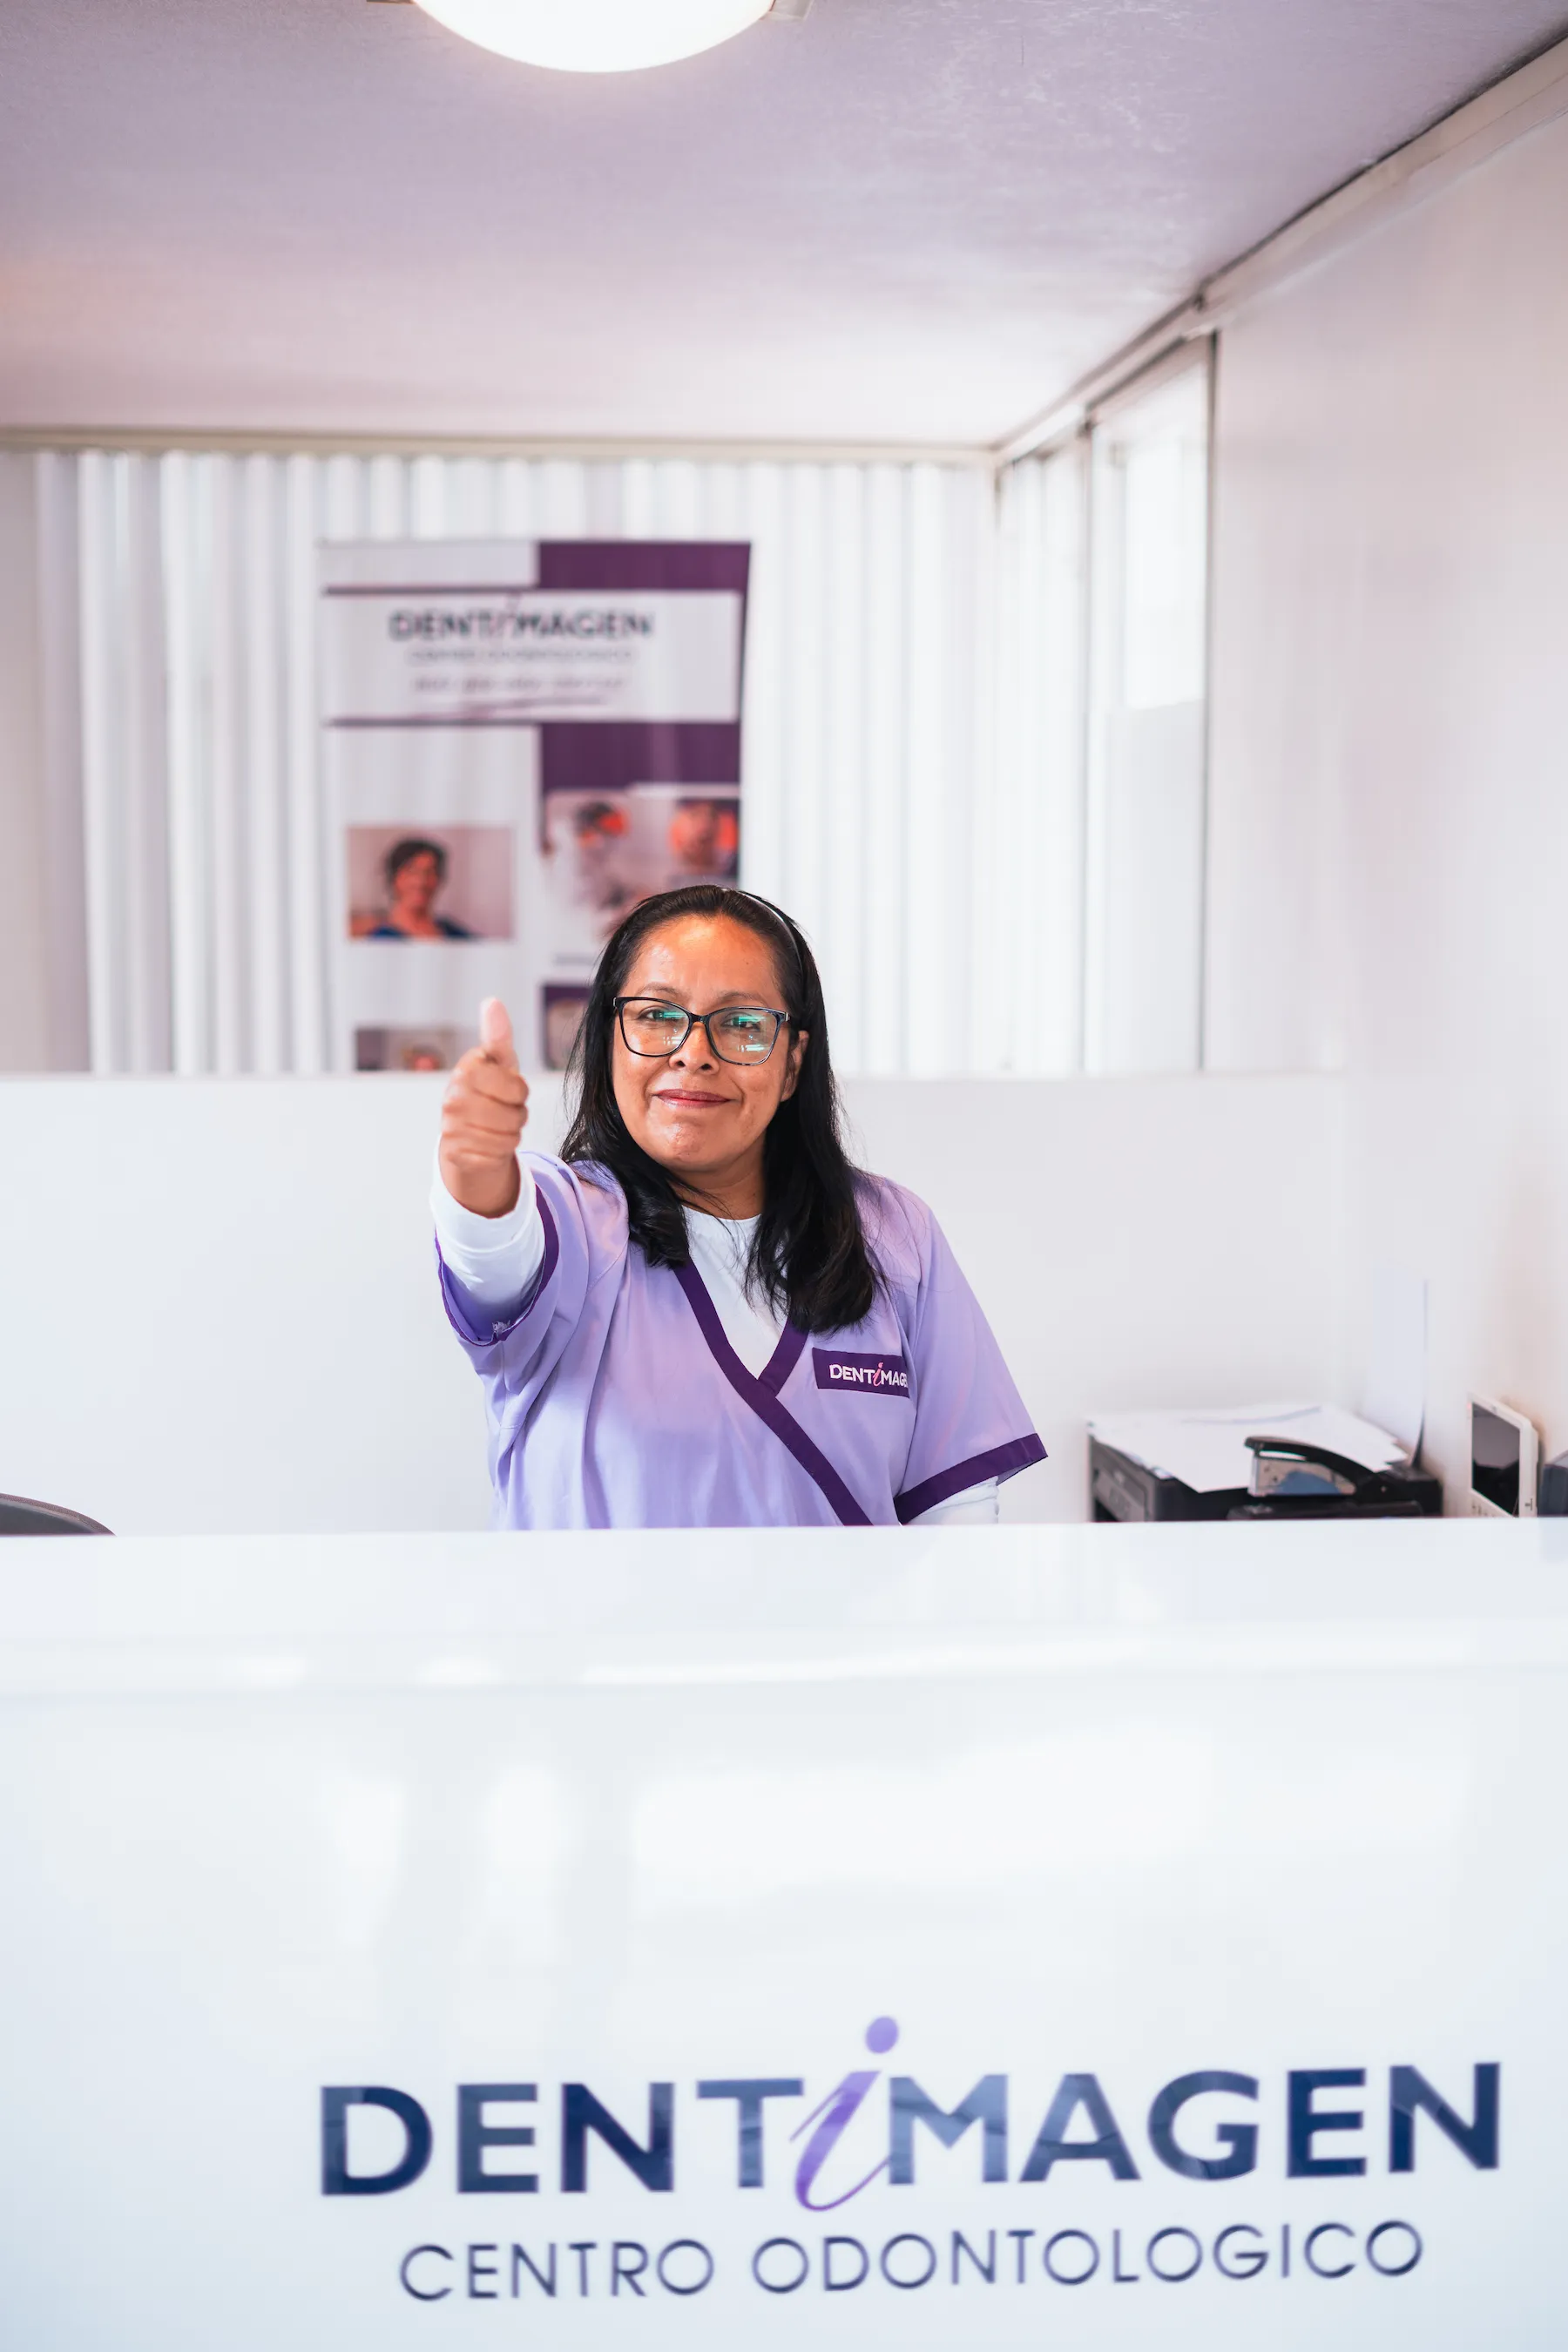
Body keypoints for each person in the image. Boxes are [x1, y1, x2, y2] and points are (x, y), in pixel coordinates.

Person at [433, 885, 1044, 1530]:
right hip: (599, 1635)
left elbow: (955, 1509)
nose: (693, 1052)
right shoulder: (566, 1219)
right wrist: (473, 1169)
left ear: (791, 1063)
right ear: (610, 1039)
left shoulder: (893, 1232)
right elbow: (491, 1250)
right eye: (656, 1016)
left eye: (744, 1024)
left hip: (853, 1635)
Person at [365, 837, 475, 939]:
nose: (421, 882)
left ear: (440, 879)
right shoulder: (380, 940)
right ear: (394, 877)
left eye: (430, 872)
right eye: (411, 871)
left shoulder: (455, 934)